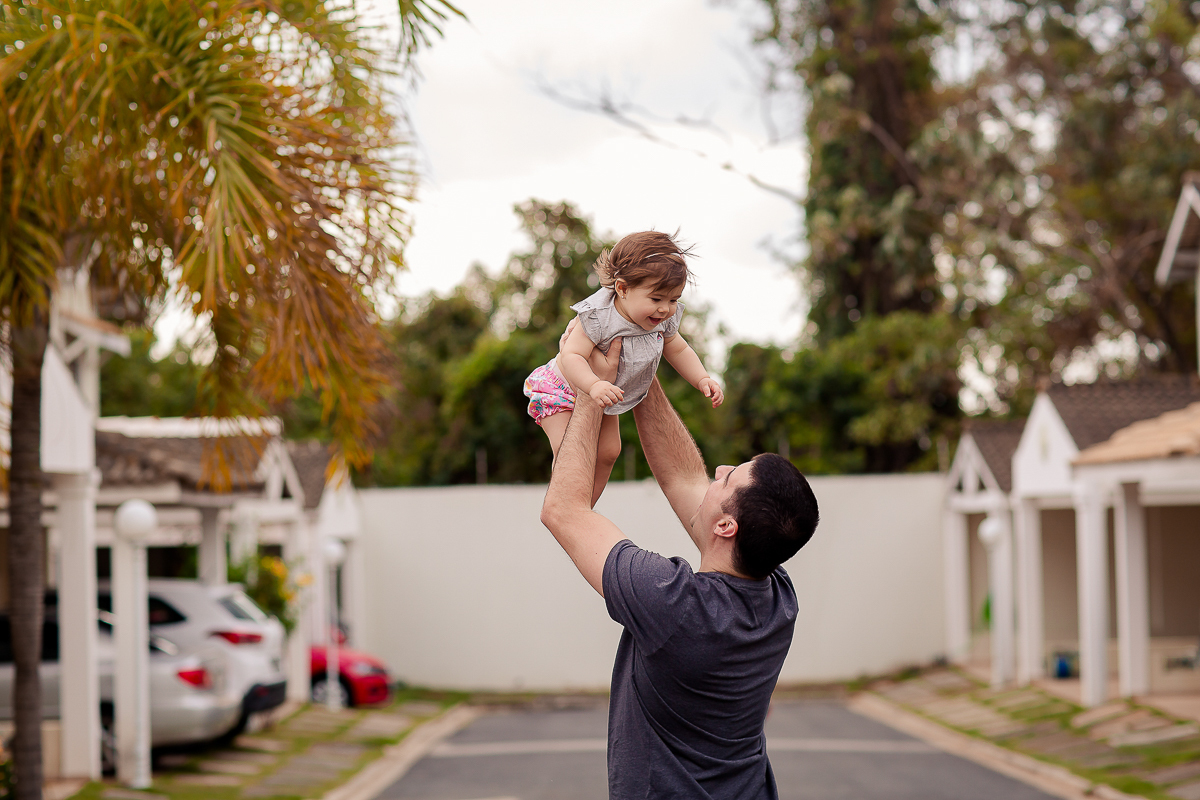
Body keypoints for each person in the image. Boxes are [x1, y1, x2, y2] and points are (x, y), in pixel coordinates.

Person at [539, 338, 820, 800]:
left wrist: (592, 389)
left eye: (730, 476)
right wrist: (639, 352)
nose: (719, 468)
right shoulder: (777, 598)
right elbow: (682, 476)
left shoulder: (673, 604)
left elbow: (563, 511)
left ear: (727, 526)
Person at [523, 230, 723, 506]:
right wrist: (594, 384)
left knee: (609, 452)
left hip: (606, 392)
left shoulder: (662, 319)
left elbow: (678, 349)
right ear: (622, 289)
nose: (665, 309)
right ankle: (565, 503)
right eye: (656, 299)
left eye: (673, 300)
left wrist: (702, 378)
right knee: (571, 449)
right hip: (562, 389)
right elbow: (571, 355)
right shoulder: (598, 315)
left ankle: (582, 508)